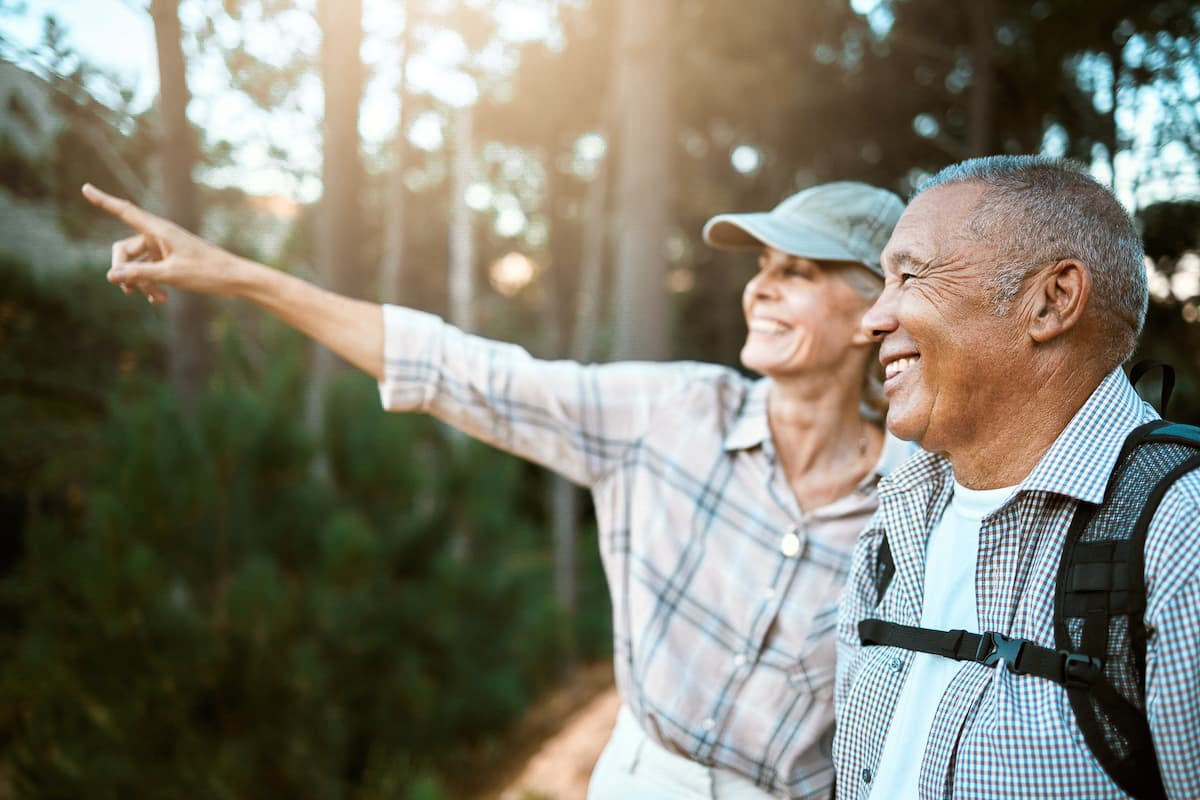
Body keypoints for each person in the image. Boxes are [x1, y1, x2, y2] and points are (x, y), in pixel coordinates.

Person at [83, 179, 909, 799]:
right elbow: (459, 370)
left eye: (796, 272)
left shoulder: (916, 496)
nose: (758, 288)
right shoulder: (673, 411)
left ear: (876, 311)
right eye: (761, 266)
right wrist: (239, 276)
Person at [833, 155, 1200, 799]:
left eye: (910, 275)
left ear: (1051, 301)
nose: (872, 320)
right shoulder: (895, 521)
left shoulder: (1181, 530)